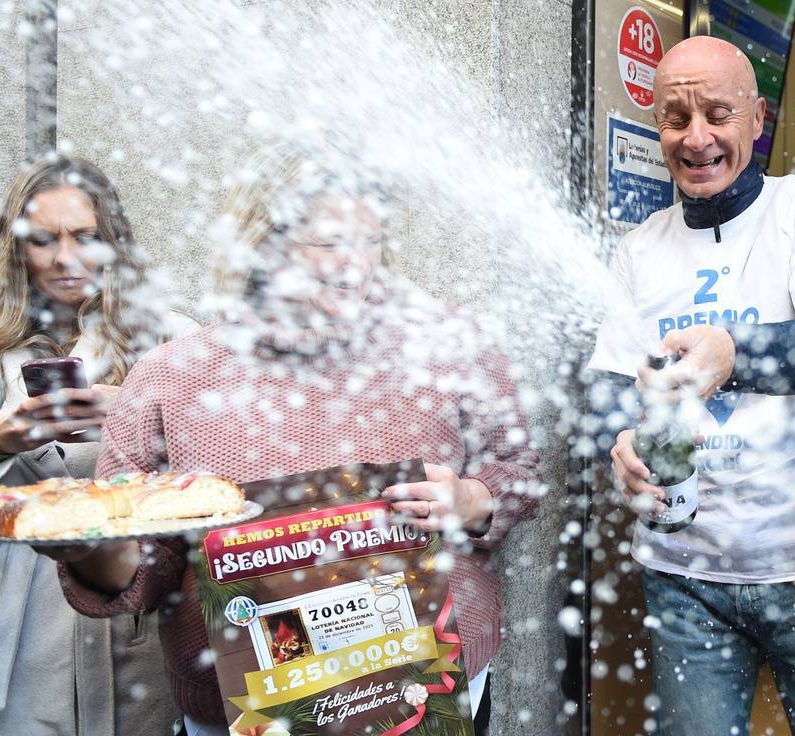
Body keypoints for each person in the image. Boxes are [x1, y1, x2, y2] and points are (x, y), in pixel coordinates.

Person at [53, 148, 540, 736]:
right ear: (264, 246)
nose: (356, 266)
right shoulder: (172, 378)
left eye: (371, 241)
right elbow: (144, 567)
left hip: (426, 694)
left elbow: (519, 469)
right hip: (246, 711)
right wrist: (89, 551)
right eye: (330, 243)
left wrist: (473, 500)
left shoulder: (448, 346)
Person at [589, 36, 795, 736]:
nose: (696, 138)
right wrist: (619, 438)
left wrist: (732, 351)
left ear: (757, 118)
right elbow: (609, 386)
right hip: (683, 579)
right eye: (675, 119)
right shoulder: (638, 248)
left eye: (717, 114)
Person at [0, 156, 192, 734]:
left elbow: (224, 473)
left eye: (85, 237)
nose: (66, 258)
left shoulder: (172, 341)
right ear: (16, 248)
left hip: (125, 604)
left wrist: (136, 419)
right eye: (44, 239)